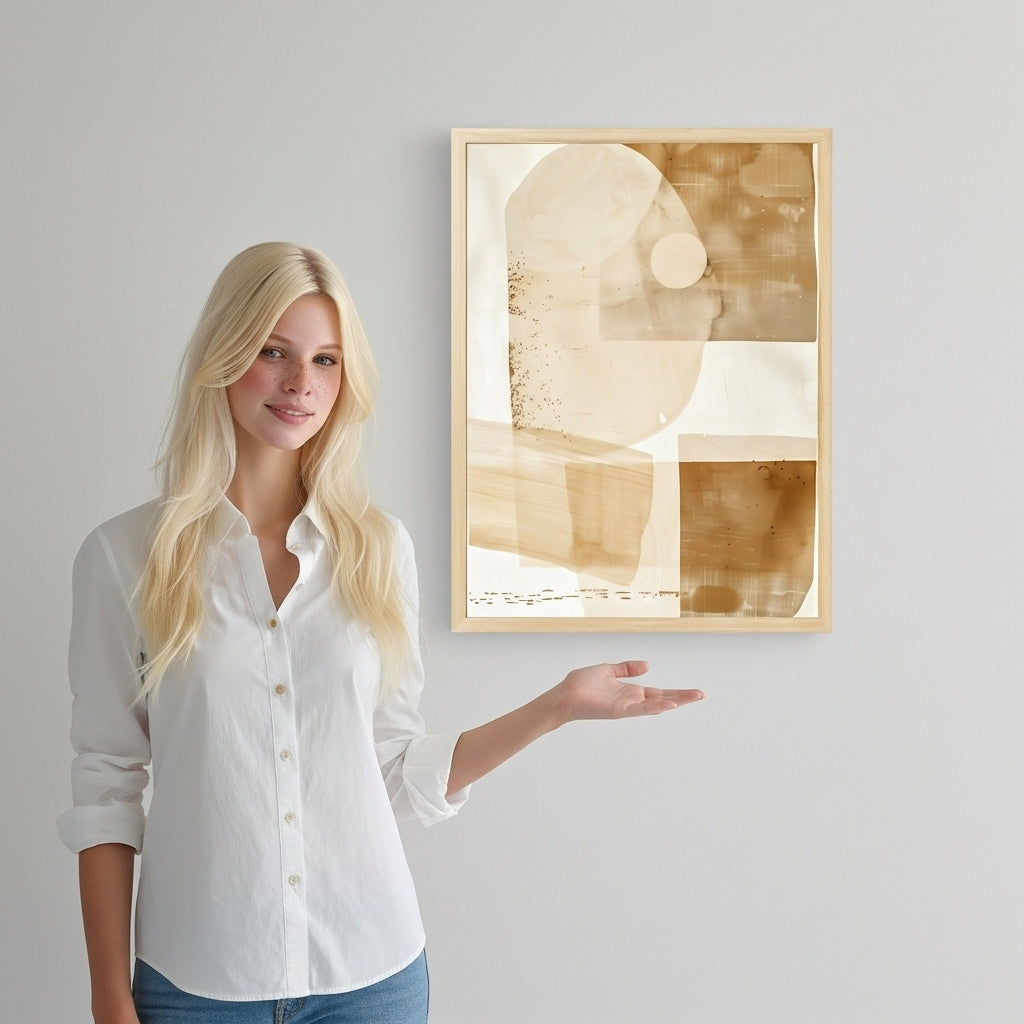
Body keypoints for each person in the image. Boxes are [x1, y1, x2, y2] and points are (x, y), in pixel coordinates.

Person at [57, 242, 705, 1024]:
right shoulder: (124, 559)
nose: (303, 384)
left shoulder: (377, 550)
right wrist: (108, 997)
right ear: (225, 354)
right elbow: (107, 785)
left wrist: (555, 707)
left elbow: (395, 768)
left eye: (327, 360)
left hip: (372, 974)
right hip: (197, 982)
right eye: (275, 352)